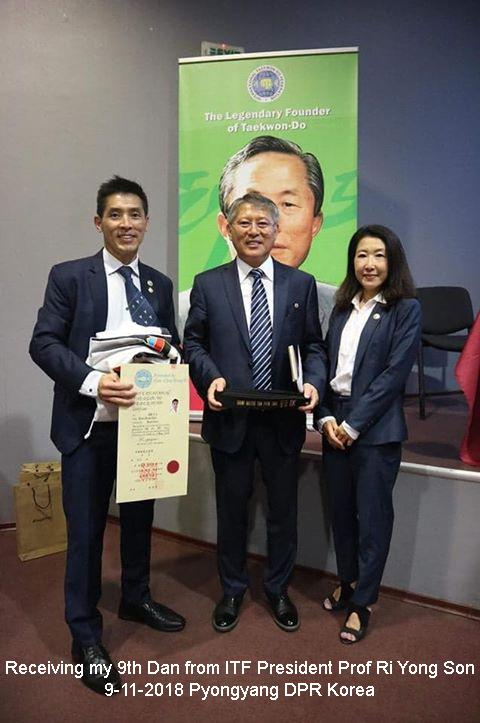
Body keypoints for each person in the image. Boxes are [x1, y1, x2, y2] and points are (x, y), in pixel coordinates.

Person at [29, 176, 185, 695]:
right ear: (99, 222)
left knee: (140, 522)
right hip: (88, 426)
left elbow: (169, 346)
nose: (126, 223)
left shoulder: (159, 285)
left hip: (145, 428)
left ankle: (135, 598)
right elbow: (44, 344)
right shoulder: (70, 277)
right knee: (87, 533)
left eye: (135, 214)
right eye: (115, 215)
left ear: (146, 222)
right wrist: (95, 382)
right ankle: (85, 635)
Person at [184, 192, 327, 633]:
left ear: (276, 230)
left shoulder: (301, 285)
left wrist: (313, 382)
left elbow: (314, 346)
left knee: (283, 512)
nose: (253, 231)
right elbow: (194, 344)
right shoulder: (207, 284)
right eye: (244, 223)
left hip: (282, 421)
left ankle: (278, 589)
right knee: (232, 512)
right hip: (231, 421)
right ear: (228, 228)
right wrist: (210, 379)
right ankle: (231, 590)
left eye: (263, 223)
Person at [314, 224, 421, 644]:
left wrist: (353, 424)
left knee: (372, 520)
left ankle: (363, 602)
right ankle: (348, 582)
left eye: (379, 255)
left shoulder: (405, 309)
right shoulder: (342, 307)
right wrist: (325, 417)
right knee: (341, 513)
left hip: (374, 429)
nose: (369, 264)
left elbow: (393, 376)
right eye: (362, 255)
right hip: (335, 424)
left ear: (392, 261)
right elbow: (326, 366)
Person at [178, 136, 337, 339]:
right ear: (225, 226)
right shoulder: (181, 311)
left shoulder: (345, 309)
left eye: (288, 204)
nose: (268, 224)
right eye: (253, 202)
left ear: (315, 223)